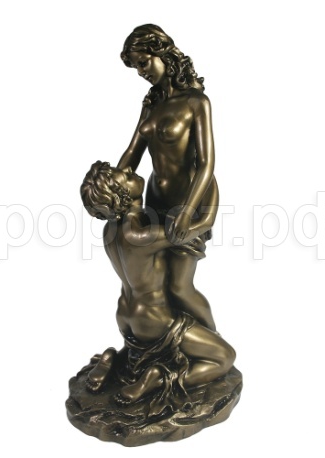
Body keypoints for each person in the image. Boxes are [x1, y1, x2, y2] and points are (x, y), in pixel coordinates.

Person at [80, 162, 235, 410]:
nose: (129, 170)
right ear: (121, 194)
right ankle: (160, 379)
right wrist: (208, 180)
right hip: (153, 320)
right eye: (124, 176)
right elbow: (202, 224)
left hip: (125, 313)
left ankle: (114, 359)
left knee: (146, 353)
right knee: (225, 357)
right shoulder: (144, 236)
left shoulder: (109, 231)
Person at [117, 24, 219, 331]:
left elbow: (207, 164)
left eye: (143, 62)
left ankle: (214, 340)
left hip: (190, 201)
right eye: (136, 67)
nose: (141, 72)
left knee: (178, 287)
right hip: (154, 201)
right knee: (156, 284)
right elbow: (132, 152)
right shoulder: (151, 103)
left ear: (161, 52)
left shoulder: (196, 102)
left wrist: (187, 212)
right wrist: (113, 186)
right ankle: (165, 343)